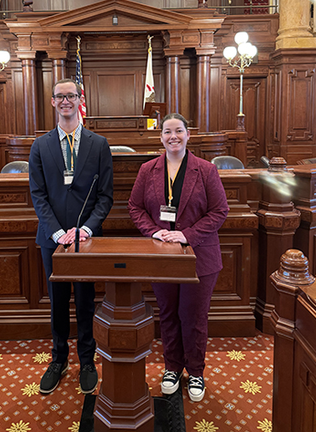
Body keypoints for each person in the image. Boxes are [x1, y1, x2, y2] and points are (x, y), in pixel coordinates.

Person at [128, 113, 228, 402]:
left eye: (179, 131)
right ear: (160, 137)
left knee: (194, 317)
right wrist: (154, 232)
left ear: (188, 135)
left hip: (200, 256)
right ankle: (172, 367)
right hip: (162, 256)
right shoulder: (148, 169)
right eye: (168, 132)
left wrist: (188, 235)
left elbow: (220, 211)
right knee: (168, 314)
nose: (174, 136)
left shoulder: (206, 170)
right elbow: (134, 207)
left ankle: (195, 371)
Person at [29, 78, 113, 395]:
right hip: (53, 240)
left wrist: (86, 228)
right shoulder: (40, 146)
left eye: (71, 96)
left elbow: (105, 197)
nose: (66, 101)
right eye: (60, 96)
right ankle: (59, 359)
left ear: (80, 99)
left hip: (87, 240)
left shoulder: (98, 144)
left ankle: (87, 360)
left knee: (86, 301)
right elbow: (38, 196)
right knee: (58, 303)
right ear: (53, 102)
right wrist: (59, 231)